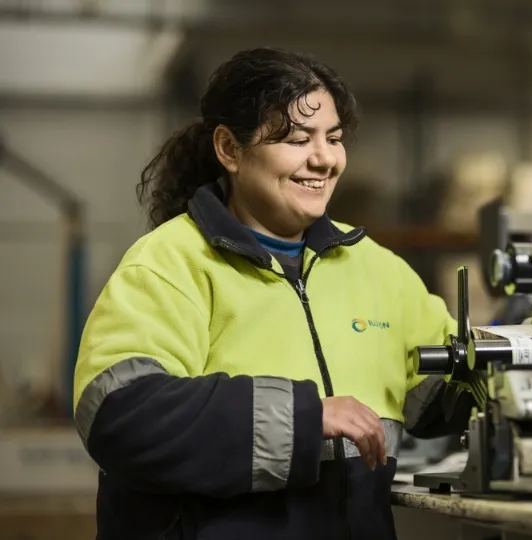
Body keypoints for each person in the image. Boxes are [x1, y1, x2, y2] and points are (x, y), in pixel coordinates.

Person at [72, 47, 475, 540]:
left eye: (334, 138)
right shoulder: (169, 264)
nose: (324, 158)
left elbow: (445, 394)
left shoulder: (377, 268)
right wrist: (308, 417)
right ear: (230, 149)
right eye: (297, 139)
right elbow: (122, 417)